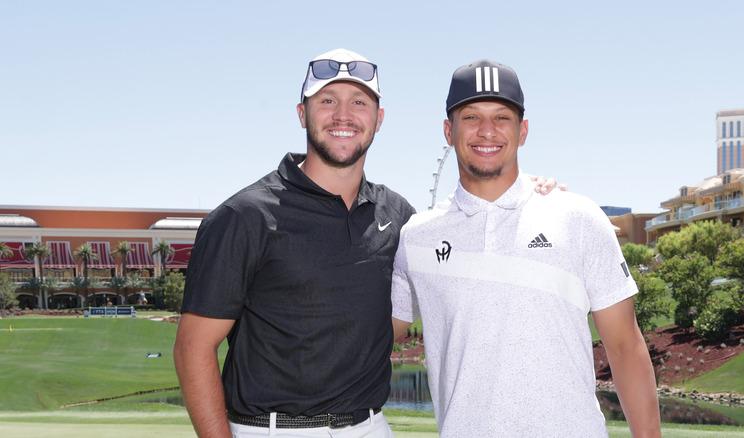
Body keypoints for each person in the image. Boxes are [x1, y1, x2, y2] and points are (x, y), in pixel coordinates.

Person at [173, 49, 559, 438]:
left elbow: (470, 251)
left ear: (378, 120)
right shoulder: (244, 216)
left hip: (370, 426)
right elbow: (193, 349)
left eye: (359, 102)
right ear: (302, 114)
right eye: (327, 101)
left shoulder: (400, 216)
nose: (343, 115)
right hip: (273, 428)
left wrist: (531, 194)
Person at [391, 60, 661, 437]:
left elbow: (625, 347)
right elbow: (370, 337)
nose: (487, 131)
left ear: (524, 130)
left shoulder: (578, 217)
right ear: (449, 131)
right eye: (471, 117)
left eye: (502, 117)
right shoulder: (416, 237)